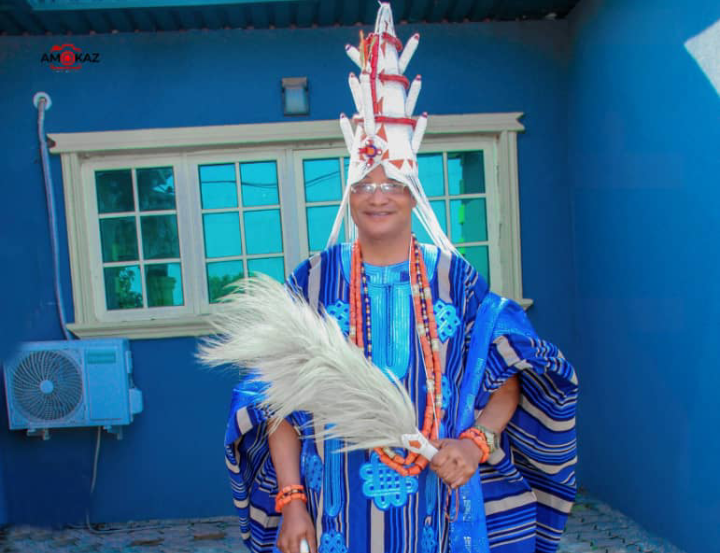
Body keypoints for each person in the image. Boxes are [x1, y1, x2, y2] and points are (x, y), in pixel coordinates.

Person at [221, 4, 578, 553]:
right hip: (336, 515)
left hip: (437, 510)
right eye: (364, 184)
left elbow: (509, 373)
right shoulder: (313, 281)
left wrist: (476, 442)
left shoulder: (456, 280)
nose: (377, 196)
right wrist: (291, 501)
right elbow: (275, 403)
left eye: (391, 182)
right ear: (348, 195)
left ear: (414, 192)